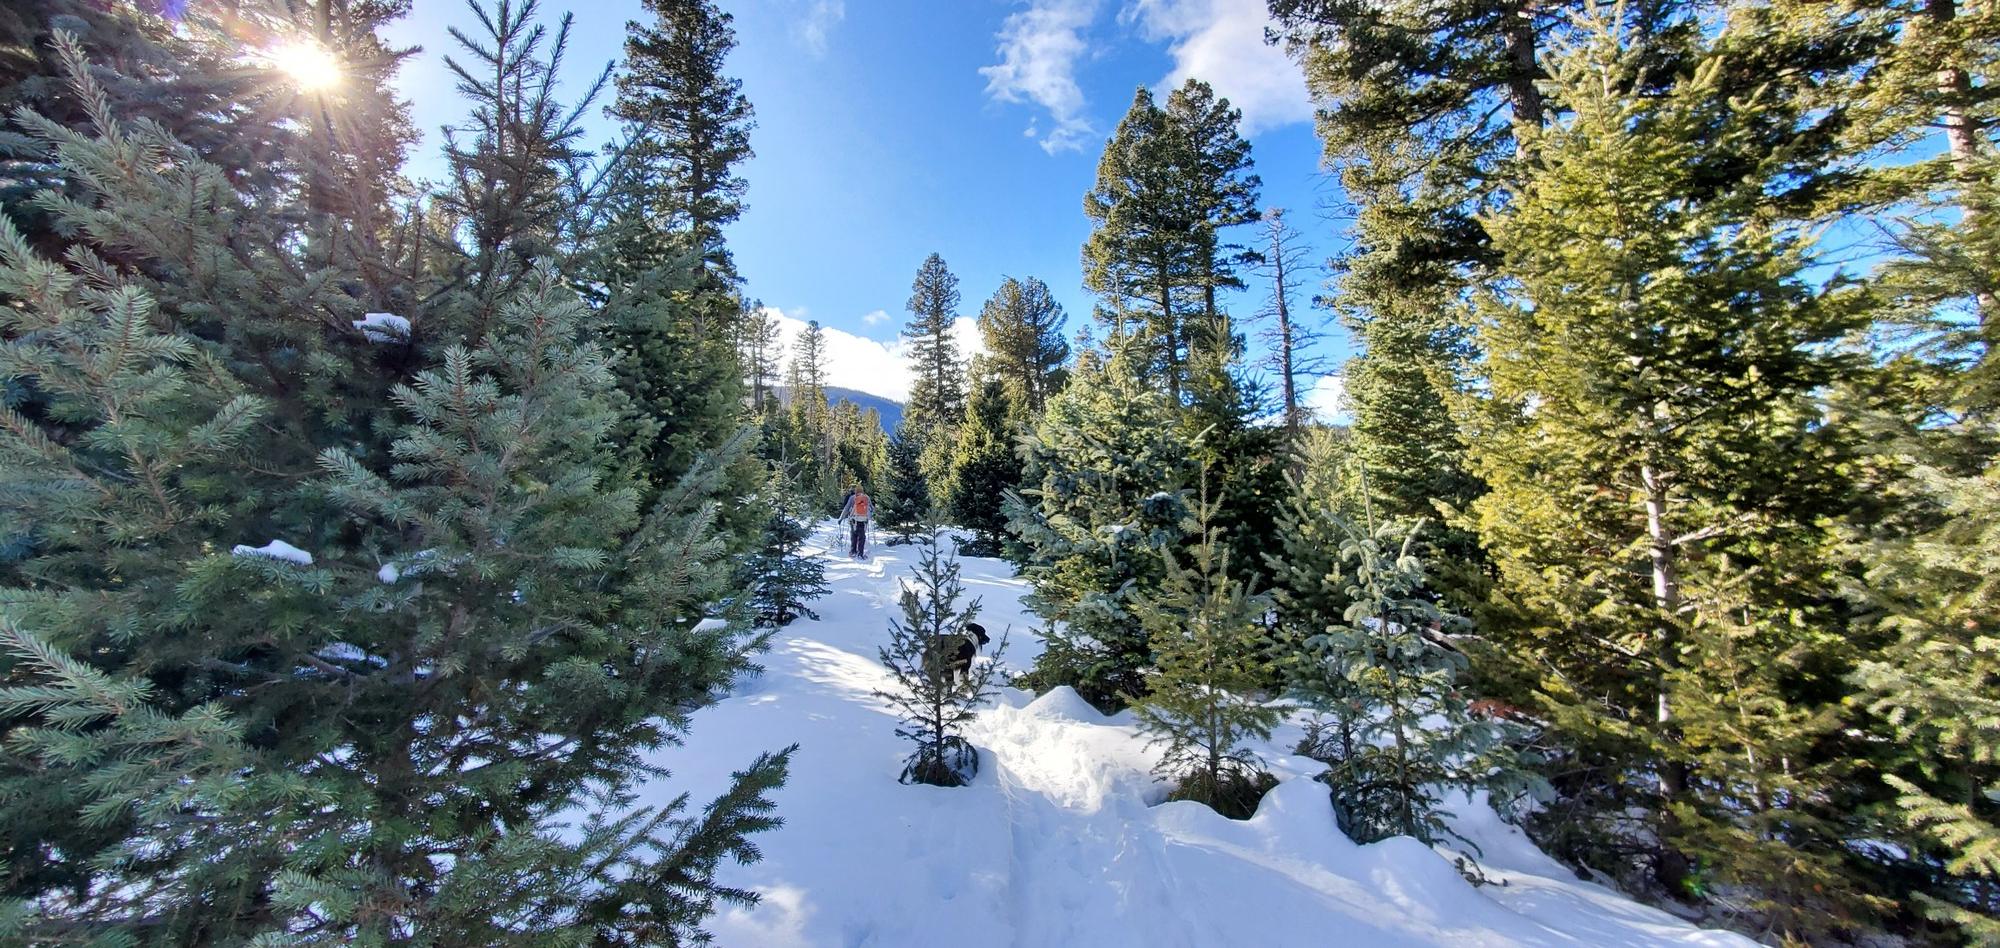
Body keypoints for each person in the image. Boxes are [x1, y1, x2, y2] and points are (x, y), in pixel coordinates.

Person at [839, 484, 872, 559]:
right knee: (862, 536)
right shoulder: (866, 497)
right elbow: (871, 508)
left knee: (853, 535)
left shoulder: (852, 498)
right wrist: (870, 516)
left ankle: (853, 551)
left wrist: (841, 518)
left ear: (855, 491)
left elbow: (846, 508)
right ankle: (860, 553)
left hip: (853, 520)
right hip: (863, 520)